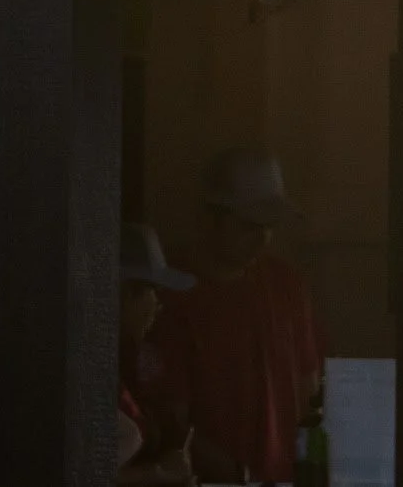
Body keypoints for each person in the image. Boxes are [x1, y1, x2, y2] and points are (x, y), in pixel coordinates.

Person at [145, 147, 326, 485]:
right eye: (248, 226)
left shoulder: (286, 286)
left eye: (269, 227)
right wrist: (233, 476)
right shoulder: (168, 298)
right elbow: (170, 421)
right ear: (208, 218)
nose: (262, 238)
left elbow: (308, 392)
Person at [117, 222, 196, 485]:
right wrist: (157, 475)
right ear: (127, 294)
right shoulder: (88, 372)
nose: (158, 306)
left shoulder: (128, 363)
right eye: (155, 292)